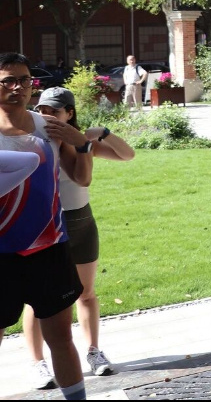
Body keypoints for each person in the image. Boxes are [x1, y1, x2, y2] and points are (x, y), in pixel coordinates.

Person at [23, 87, 136, 388]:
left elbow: (128, 155)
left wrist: (103, 134)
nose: (47, 115)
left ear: (69, 113)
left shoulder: (82, 141)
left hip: (81, 222)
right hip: (46, 225)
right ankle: (37, 362)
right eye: (42, 110)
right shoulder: (34, 141)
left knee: (86, 292)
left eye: (54, 111)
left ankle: (94, 351)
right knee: (38, 299)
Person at [0, 53, 89, 401]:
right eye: (8, 80)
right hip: (1, 256)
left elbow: (81, 177)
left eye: (24, 80)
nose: (18, 87)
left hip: (49, 250)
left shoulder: (48, 127)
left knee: (61, 339)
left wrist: (81, 143)